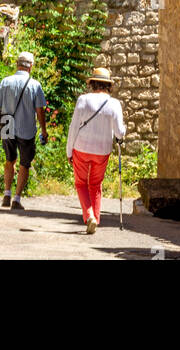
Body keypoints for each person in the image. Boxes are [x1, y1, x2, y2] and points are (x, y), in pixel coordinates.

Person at [66, 67, 126, 234]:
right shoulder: (114, 104)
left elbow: (73, 128)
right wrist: (124, 131)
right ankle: (96, 220)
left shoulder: (83, 100)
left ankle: (89, 215)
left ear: (92, 83)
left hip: (81, 148)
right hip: (102, 151)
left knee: (80, 183)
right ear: (108, 85)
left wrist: (69, 151)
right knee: (95, 184)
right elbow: (120, 132)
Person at [0, 51, 47, 211]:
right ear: (31, 67)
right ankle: (16, 199)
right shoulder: (35, 85)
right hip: (27, 129)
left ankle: (6, 194)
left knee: (10, 160)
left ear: (17, 64)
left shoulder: (6, 82)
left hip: (7, 126)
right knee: (24, 164)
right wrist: (44, 130)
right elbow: (40, 111)